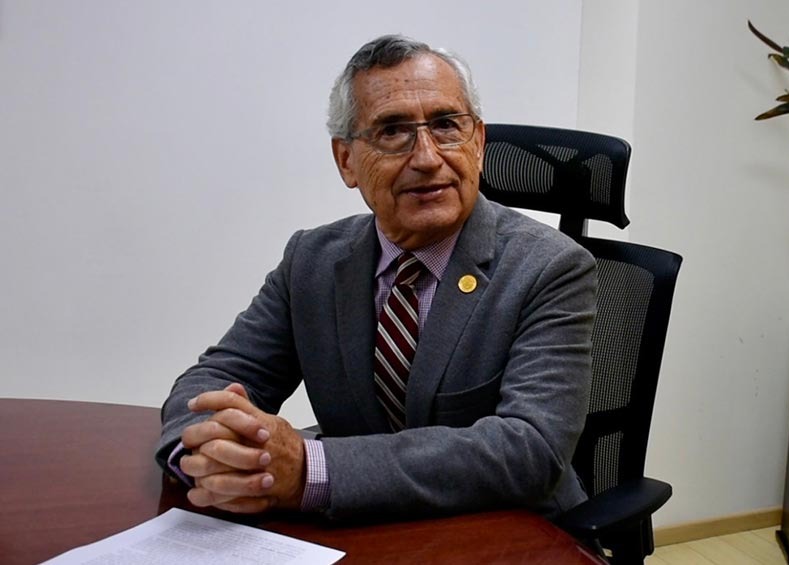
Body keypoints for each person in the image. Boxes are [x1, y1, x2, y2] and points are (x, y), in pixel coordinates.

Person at [155, 34, 597, 522]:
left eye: (446, 125)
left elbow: (531, 450)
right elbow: (215, 379)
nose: (427, 157)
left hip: (509, 531)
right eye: (392, 131)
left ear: (477, 143)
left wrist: (310, 469)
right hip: (362, 531)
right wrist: (207, 453)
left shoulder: (550, 267)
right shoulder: (312, 261)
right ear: (346, 160)